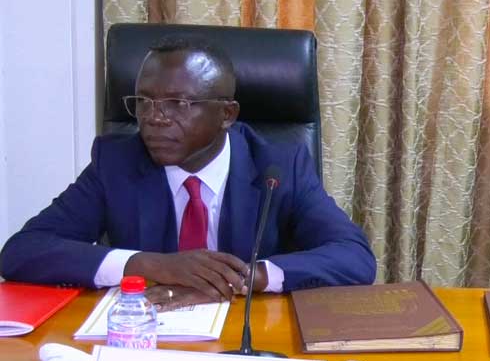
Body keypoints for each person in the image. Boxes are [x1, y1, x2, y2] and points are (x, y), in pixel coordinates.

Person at [0, 36, 376, 301]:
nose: (154, 118)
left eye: (178, 103)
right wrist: (149, 265)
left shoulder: (278, 166)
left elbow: (354, 257)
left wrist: (243, 277)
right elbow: (22, 251)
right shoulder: (116, 163)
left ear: (227, 114)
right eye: (143, 101)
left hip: (249, 336)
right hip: (146, 333)